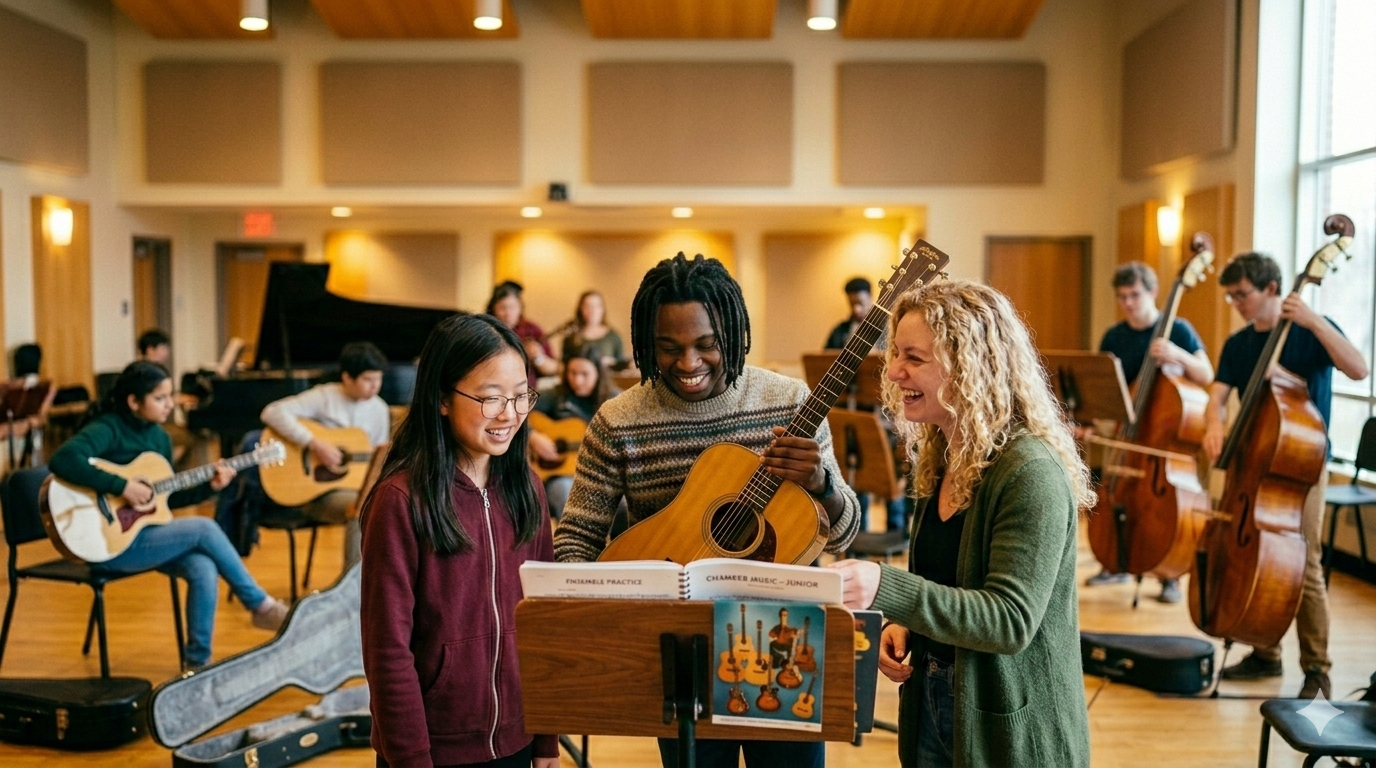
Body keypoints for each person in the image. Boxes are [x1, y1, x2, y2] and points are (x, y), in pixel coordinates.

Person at [554, 253, 861, 768]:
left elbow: (843, 533)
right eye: (668, 348)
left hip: (782, 645)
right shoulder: (618, 421)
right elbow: (577, 539)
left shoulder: (789, 402)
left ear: (735, 333)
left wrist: (821, 484)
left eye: (706, 345)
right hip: (679, 649)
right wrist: (604, 624)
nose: (688, 363)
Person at [828, 280, 1093, 768]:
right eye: (894, 354)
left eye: (914, 357)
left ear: (971, 363)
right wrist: (907, 623)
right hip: (934, 703)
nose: (892, 371)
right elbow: (946, 582)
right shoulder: (940, 455)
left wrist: (887, 587)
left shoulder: (1029, 471)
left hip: (1011, 729)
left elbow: (1009, 622)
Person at [359, 312, 557, 768]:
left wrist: (546, 739)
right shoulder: (400, 501)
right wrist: (412, 759)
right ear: (443, 398)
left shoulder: (527, 487)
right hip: (431, 751)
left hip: (518, 741)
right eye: (490, 399)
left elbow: (542, 621)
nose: (509, 415)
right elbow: (387, 651)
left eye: (521, 396)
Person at [48, 361, 288, 670]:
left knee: (202, 567)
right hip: (103, 543)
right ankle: (259, 604)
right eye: (160, 398)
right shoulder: (107, 428)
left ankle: (197, 665)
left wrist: (211, 487)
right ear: (134, 402)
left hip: (142, 537)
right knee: (203, 527)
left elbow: (164, 499)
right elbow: (63, 458)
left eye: (170, 396)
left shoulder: (160, 438)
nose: (169, 404)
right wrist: (121, 485)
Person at [1204, 252, 1368, 700]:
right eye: (1232, 296)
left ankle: (1317, 667)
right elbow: (1216, 398)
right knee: (1255, 556)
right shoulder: (1239, 346)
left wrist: (1314, 322)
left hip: (1301, 466)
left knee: (1305, 563)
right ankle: (1264, 651)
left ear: (1272, 289)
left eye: (1243, 294)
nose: (1236, 303)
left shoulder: (1312, 332)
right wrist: (1215, 424)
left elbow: (1359, 369)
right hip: (1251, 460)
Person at [1084, 262, 1214, 603]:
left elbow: (1206, 373)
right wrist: (1092, 422)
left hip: (1164, 439)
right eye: (1122, 297)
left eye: (1135, 295)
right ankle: (1116, 563)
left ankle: (1168, 576)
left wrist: (1178, 355)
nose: (1128, 303)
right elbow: (1107, 391)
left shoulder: (1179, 329)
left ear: (1153, 293)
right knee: (1118, 495)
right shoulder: (1114, 337)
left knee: (1163, 508)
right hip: (1128, 435)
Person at [254, 341, 391, 570]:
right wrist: (314, 443)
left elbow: (378, 458)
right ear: (347, 377)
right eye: (368, 380)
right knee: (365, 507)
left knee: (386, 505)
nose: (375, 386)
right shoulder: (325, 397)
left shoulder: (380, 409)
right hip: (316, 491)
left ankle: (380, 584)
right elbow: (272, 412)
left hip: (354, 487)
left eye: (378, 379)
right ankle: (352, 591)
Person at [530, 348, 618, 519]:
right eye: (573, 373)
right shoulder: (556, 395)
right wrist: (532, 436)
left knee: (623, 504)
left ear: (598, 373)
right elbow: (518, 412)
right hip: (559, 476)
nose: (577, 380)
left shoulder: (615, 400)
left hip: (603, 476)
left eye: (585, 374)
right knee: (565, 494)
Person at [487, 281, 558, 382]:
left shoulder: (532, 329)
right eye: (503, 307)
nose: (508, 313)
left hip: (526, 390)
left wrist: (538, 357)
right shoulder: (485, 329)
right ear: (493, 308)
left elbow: (554, 368)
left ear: (520, 307)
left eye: (512, 307)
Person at [560, 290, 629, 370]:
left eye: (597, 306)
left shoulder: (613, 337)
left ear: (602, 309)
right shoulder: (571, 338)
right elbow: (564, 365)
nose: (592, 310)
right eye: (588, 306)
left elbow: (622, 365)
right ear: (580, 309)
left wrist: (611, 363)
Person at [824, 277, 886, 351]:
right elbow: (825, 359)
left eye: (861, 303)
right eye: (852, 304)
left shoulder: (888, 327)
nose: (856, 309)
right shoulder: (840, 331)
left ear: (870, 297)